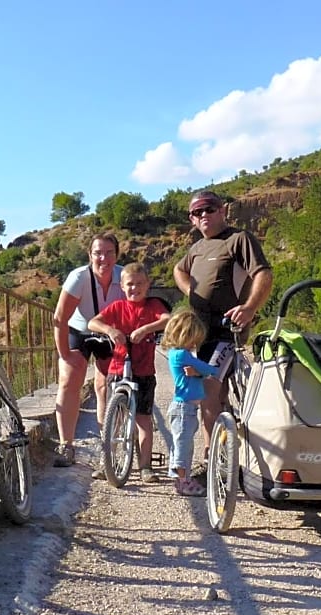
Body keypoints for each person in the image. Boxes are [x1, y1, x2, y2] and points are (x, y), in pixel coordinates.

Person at [173, 190, 273, 480]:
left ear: (222, 211)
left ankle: (212, 461)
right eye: (196, 212)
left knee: (208, 390)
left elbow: (263, 274)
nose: (203, 215)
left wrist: (250, 308)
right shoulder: (197, 248)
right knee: (216, 396)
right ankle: (224, 452)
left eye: (209, 209)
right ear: (192, 219)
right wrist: (189, 290)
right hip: (202, 335)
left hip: (227, 332)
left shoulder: (238, 239)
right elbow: (179, 269)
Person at [87, 262, 171, 482]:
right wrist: (110, 330)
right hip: (118, 368)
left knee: (143, 420)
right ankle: (109, 463)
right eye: (130, 284)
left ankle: (145, 467)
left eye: (140, 284)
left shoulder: (153, 305)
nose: (135, 288)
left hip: (143, 371)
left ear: (148, 284)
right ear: (122, 287)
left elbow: (167, 319)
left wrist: (145, 329)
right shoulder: (117, 307)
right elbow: (93, 323)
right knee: (114, 419)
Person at [52, 232, 125, 467]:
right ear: (89, 255)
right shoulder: (79, 278)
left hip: (108, 331)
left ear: (117, 255)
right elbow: (60, 318)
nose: (103, 258)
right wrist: (64, 354)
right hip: (79, 331)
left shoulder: (124, 277)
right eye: (97, 253)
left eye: (109, 253)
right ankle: (67, 445)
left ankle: (107, 446)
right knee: (69, 381)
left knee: (107, 385)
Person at [161, 309, 219, 497]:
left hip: (186, 408)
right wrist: (202, 371)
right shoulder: (182, 355)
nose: (195, 343)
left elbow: (200, 371)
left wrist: (197, 373)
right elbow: (211, 370)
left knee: (182, 443)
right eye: (194, 338)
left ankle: (180, 478)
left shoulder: (175, 353)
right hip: (184, 408)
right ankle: (183, 480)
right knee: (183, 445)